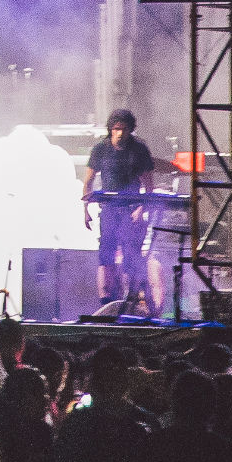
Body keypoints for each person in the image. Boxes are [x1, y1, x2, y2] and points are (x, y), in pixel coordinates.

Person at [79, 112, 166, 316]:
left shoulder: (139, 149)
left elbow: (149, 184)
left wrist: (141, 207)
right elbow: (88, 181)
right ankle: (106, 302)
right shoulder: (101, 149)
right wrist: (85, 210)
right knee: (106, 258)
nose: (119, 133)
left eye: (124, 129)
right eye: (116, 129)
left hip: (130, 208)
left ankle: (131, 301)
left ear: (130, 130)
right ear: (110, 129)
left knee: (131, 257)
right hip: (108, 209)